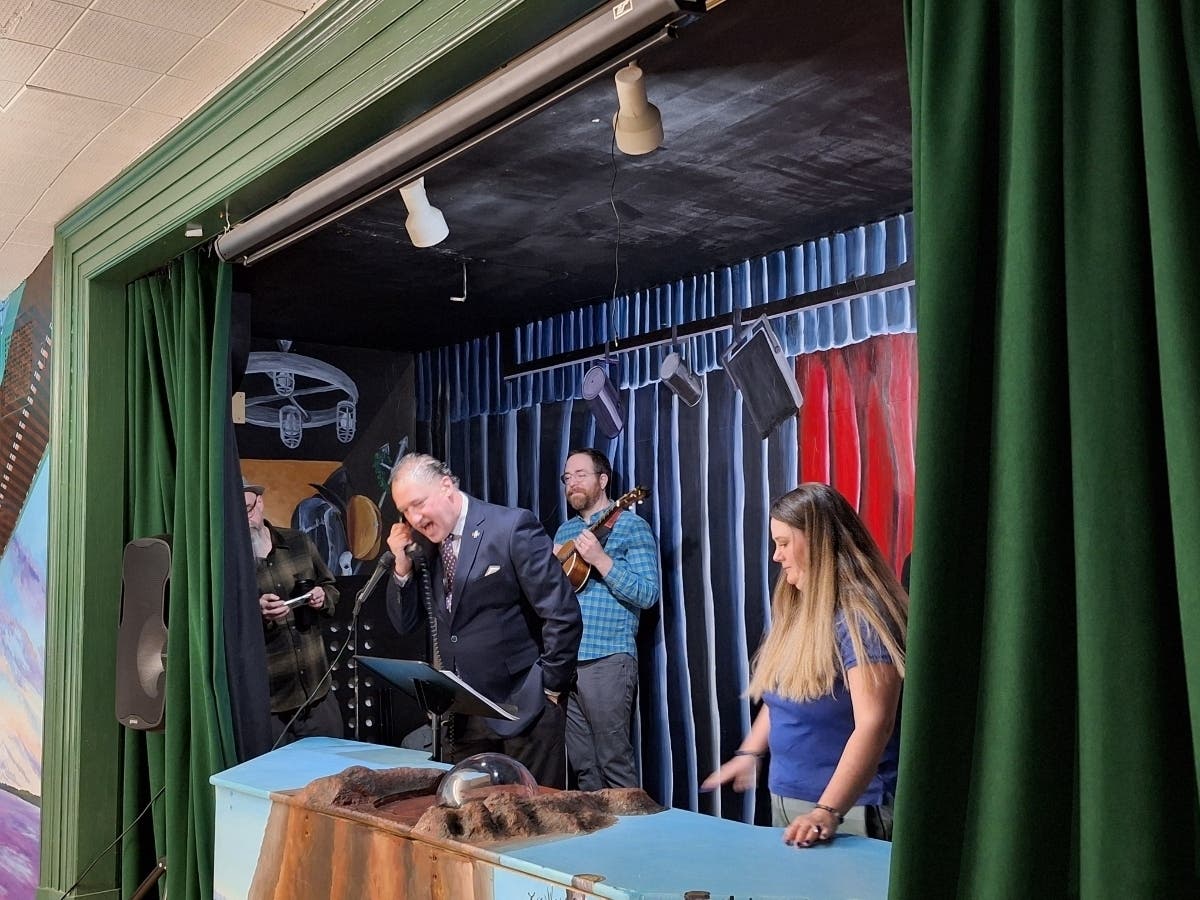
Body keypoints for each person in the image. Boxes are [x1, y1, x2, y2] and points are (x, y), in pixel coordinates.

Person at [702, 483, 907, 847]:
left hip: (851, 811)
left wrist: (827, 810)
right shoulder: (799, 609)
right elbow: (785, 693)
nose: (776, 557)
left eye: (783, 543)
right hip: (791, 799)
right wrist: (750, 753)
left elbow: (876, 723)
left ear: (817, 541)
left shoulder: (861, 619)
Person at [385, 453, 582, 788]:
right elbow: (405, 623)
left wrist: (549, 687)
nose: (414, 518)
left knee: (536, 821)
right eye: (404, 511)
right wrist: (401, 567)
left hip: (524, 710)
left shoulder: (510, 527)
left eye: (418, 504)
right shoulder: (426, 548)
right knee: (474, 821)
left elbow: (562, 614)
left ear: (446, 486)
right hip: (463, 717)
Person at [552, 448, 659, 790]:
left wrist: (600, 560)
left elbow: (648, 593)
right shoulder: (563, 533)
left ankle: (631, 841)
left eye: (580, 474)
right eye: (567, 477)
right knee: (584, 768)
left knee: (614, 763)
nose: (572, 483)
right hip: (567, 662)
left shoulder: (631, 527)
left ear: (602, 480)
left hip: (608, 658)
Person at [246, 478, 344, 744]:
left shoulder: (298, 542)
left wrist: (322, 598)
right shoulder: (230, 561)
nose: (247, 518)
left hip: (317, 692)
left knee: (333, 774)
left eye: (249, 509)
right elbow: (221, 624)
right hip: (272, 705)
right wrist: (257, 612)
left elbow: (331, 588)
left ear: (261, 502)